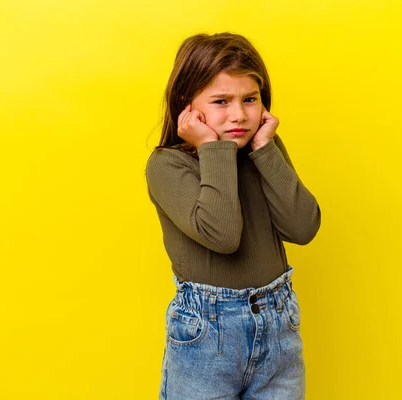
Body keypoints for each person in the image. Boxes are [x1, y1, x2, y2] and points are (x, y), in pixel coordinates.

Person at [145, 32, 321, 399]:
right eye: (221, 101)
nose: (239, 114)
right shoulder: (167, 165)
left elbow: (303, 227)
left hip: (278, 325)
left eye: (250, 99)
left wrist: (265, 149)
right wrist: (212, 148)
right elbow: (222, 235)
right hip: (207, 335)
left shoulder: (263, 151)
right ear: (186, 105)